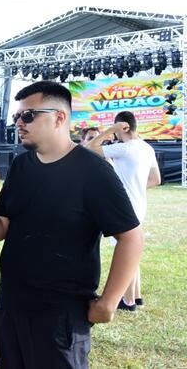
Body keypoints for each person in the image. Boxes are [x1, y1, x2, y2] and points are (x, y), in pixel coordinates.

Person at [0, 81, 144, 369]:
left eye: (28, 115)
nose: (19, 122)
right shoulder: (21, 166)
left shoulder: (93, 171)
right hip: (11, 306)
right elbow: (0, 227)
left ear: (59, 117)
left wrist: (108, 303)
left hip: (61, 315)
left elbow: (131, 237)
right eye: (17, 116)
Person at [87, 111, 161, 310]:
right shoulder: (147, 148)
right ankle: (136, 296)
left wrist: (110, 130)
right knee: (133, 249)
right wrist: (135, 187)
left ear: (124, 127)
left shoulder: (125, 148)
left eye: (117, 128)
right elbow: (156, 180)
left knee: (127, 251)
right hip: (139, 205)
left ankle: (128, 302)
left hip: (125, 206)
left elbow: (90, 147)